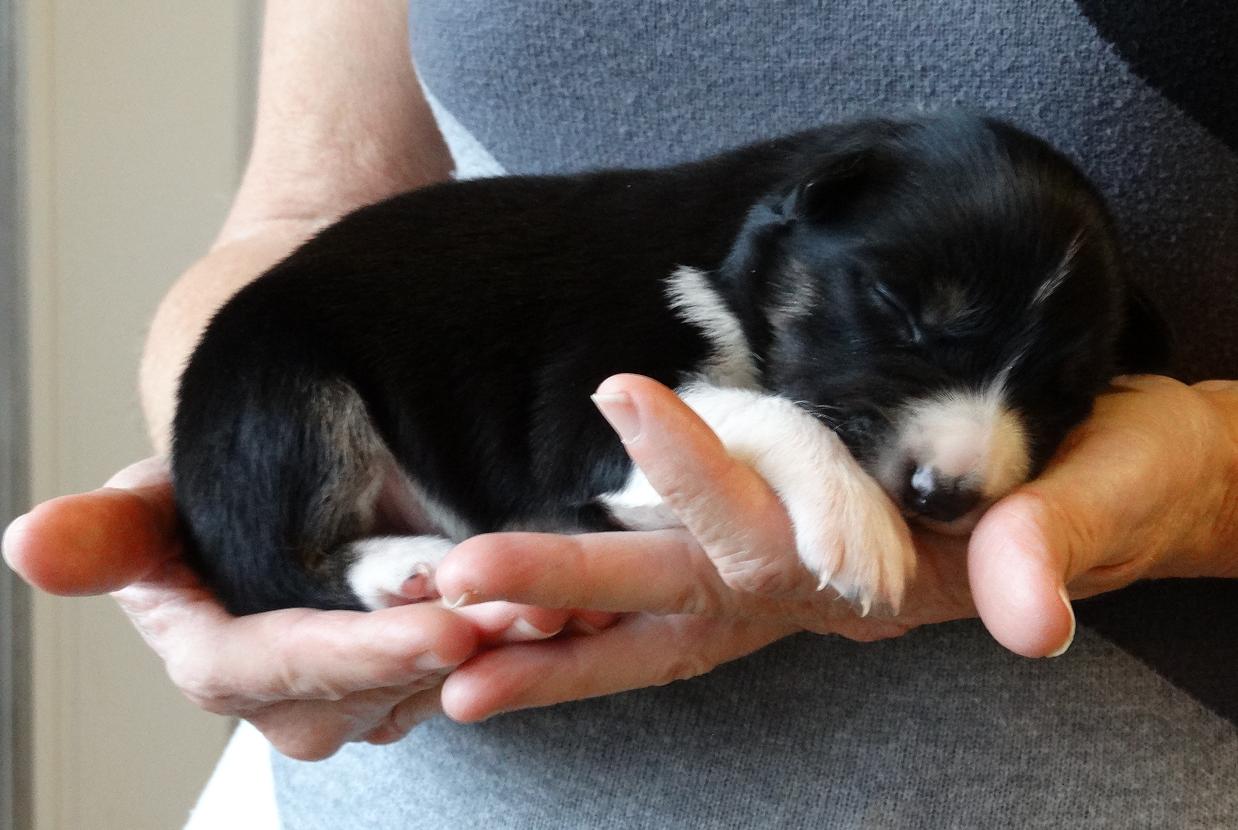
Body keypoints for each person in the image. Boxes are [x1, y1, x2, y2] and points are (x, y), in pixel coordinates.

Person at [5, 0, 1238, 826]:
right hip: (387, 778)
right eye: (908, 323)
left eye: (1049, 392)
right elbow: (295, 217)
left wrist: (1204, 480)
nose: (968, 447)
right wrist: (217, 501)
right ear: (786, 223)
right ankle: (328, 557)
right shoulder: (667, 286)